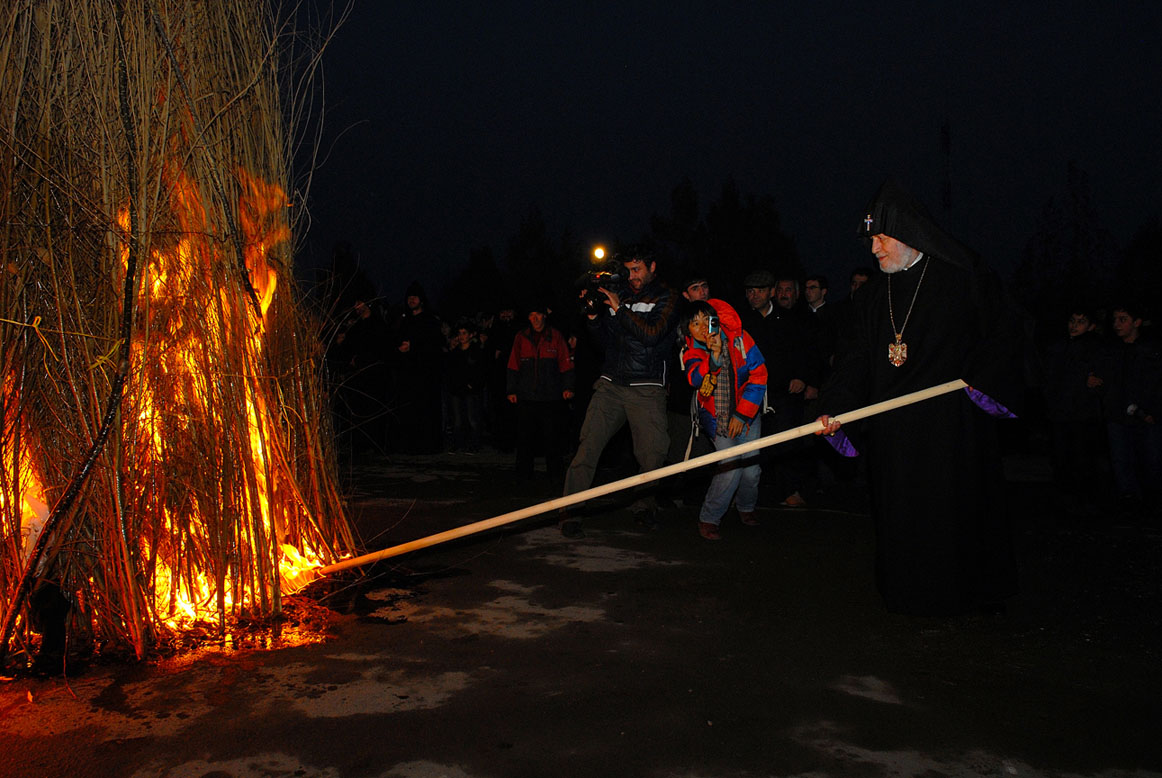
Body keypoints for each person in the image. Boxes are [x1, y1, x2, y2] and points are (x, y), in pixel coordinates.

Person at [817, 179, 1024, 617]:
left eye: (881, 237)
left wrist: (981, 382)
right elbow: (854, 359)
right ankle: (909, 593)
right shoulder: (873, 295)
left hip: (953, 426)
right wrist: (837, 408)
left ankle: (967, 593)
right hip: (895, 432)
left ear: (912, 233)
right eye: (871, 239)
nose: (874, 249)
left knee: (956, 511)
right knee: (902, 514)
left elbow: (1002, 336)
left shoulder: (962, 280)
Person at [559, 247, 680, 538]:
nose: (632, 277)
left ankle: (644, 507)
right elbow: (605, 343)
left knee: (651, 455)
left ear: (652, 266)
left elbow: (652, 335)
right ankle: (571, 511)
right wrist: (593, 318)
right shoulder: (619, 292)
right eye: (628, 271)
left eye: (637, 270)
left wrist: (620, 308)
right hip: (611, 383)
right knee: (587, 448)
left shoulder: (667, 297)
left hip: (647, 386)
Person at [681, 299, 767, 540]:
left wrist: (742, 414)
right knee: (730, 466)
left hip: (748, 412)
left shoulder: (740, 339)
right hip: (715, 417)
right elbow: (696, 380)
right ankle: (710, 517)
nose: (701, 327)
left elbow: (759, 375)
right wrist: (714, 358)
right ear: (687, 329)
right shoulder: (692, 350)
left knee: (750, 468)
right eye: (694, 323)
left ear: (715, 319)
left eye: (706, 320)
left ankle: (746, 507)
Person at [1095, 302, 1161, 513]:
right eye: (1115, 319)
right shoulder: (1111, 351)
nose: (1117, 324)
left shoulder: (1150, 350)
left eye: (1122, 319)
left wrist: (1151, 410)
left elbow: (1155, 383)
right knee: (1121, 461)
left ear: (1137, 322)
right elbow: (1106, 381)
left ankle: (1152, 501)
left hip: (1145, 415)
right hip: (1117, 414)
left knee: (1151, 460)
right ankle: (1129, 500)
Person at [506, 300, 575, 481]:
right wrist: (511, 389)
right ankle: (523, 476)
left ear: (544, 315)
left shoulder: (556, 336)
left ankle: (555, 475)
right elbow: (513, 364)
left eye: (538, 314)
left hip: (550, 397)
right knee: (524, 438)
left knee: (552, 438)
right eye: (531, 315)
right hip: (527, 396)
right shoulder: (521, 337)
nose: (535, 319)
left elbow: (565, 363)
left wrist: (568, 387)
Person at [445, 319, 487, 453]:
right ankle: (458, 444)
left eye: (464, 333)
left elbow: (480, 371)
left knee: (472, 418)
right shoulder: (455, 352)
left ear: (470, 335)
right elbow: (450, 371)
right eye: (460, 333)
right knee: (457, 419)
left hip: (471, 390)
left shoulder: (476, 352)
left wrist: (473, 385)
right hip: (457, 390)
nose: (461, 336)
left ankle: (474, 444)